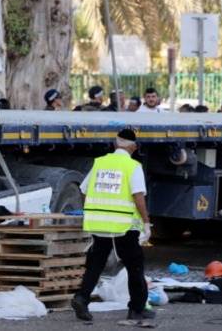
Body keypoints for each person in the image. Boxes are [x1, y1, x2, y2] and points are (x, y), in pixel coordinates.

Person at [71, 129, 154, 323]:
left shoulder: (100, 163)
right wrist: (146, 222)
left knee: (96, 263)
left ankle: (81, 297)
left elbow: (83, 190)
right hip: (124, 225)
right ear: (133, 147)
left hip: (99, 224)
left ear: (116, 145)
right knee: (135, 266)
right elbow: (138, 196)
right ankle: (136, 309)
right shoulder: (132, 166)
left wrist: (95, 209)